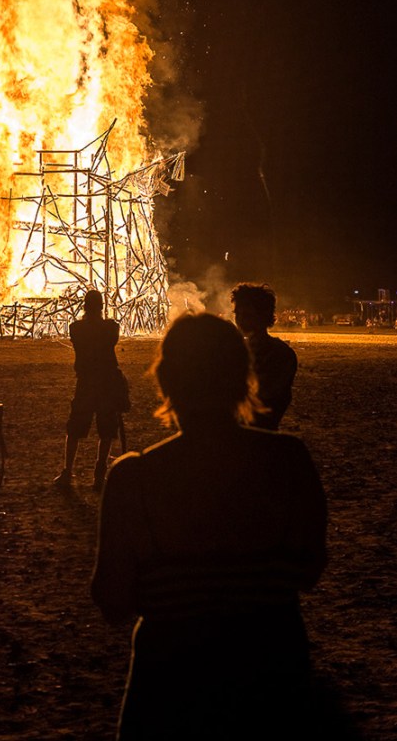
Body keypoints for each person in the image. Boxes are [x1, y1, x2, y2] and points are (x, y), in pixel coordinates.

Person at [91, 312, 327, 740]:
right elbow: (309, 568)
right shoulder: (288, 462)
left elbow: (113, 600)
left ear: (166, 380)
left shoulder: (134, 479)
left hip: (171, 689)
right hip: (271, 683)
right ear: (243, 378)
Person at [54, 288, 128, 492]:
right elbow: (112, 338)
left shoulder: (76, 328)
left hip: (86, 384)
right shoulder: (111, 328)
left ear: (84, 306)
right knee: (106, 430)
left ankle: (68, 471)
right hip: (106, 384)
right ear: (102, 307)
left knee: (75, 428)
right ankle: (99, 476)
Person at [231, 281, 298, 429]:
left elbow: (267, 397)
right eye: (237, 314)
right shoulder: (236, 350)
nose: (240, 320)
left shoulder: (279, 354)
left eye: (247, 315)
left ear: (264, 316)